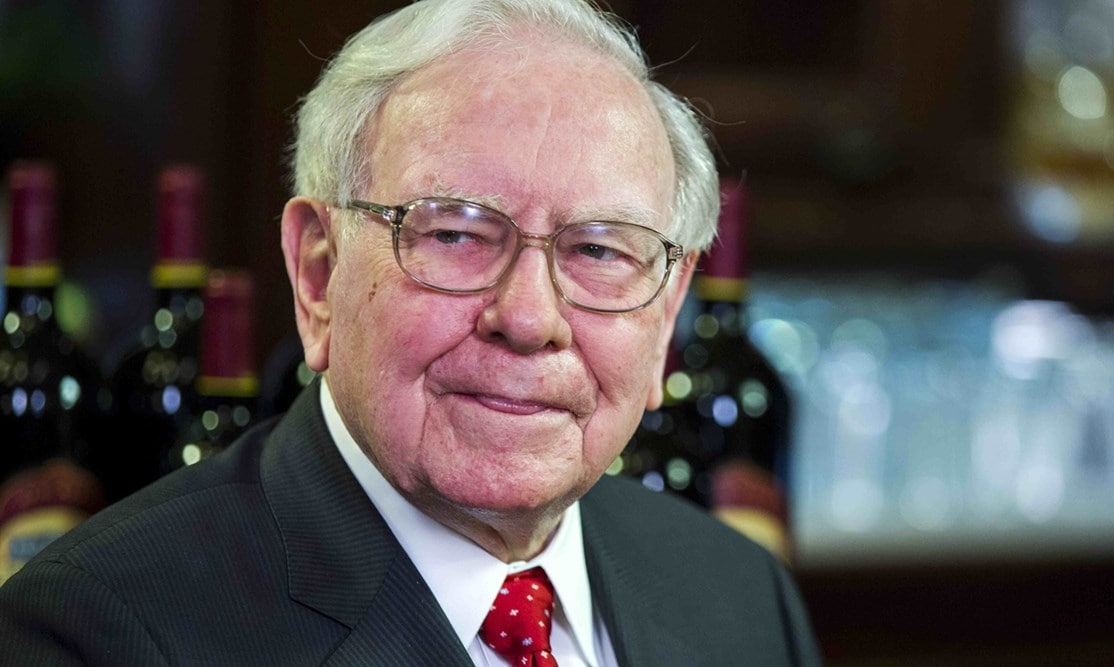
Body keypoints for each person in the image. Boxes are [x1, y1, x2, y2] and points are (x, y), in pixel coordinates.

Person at [0, 0, 821, 663]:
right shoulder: (98, 632)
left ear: (668, 310)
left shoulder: (743, 598)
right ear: (318, 275)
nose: (529, 319)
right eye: (455, 233)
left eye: (600, 250)